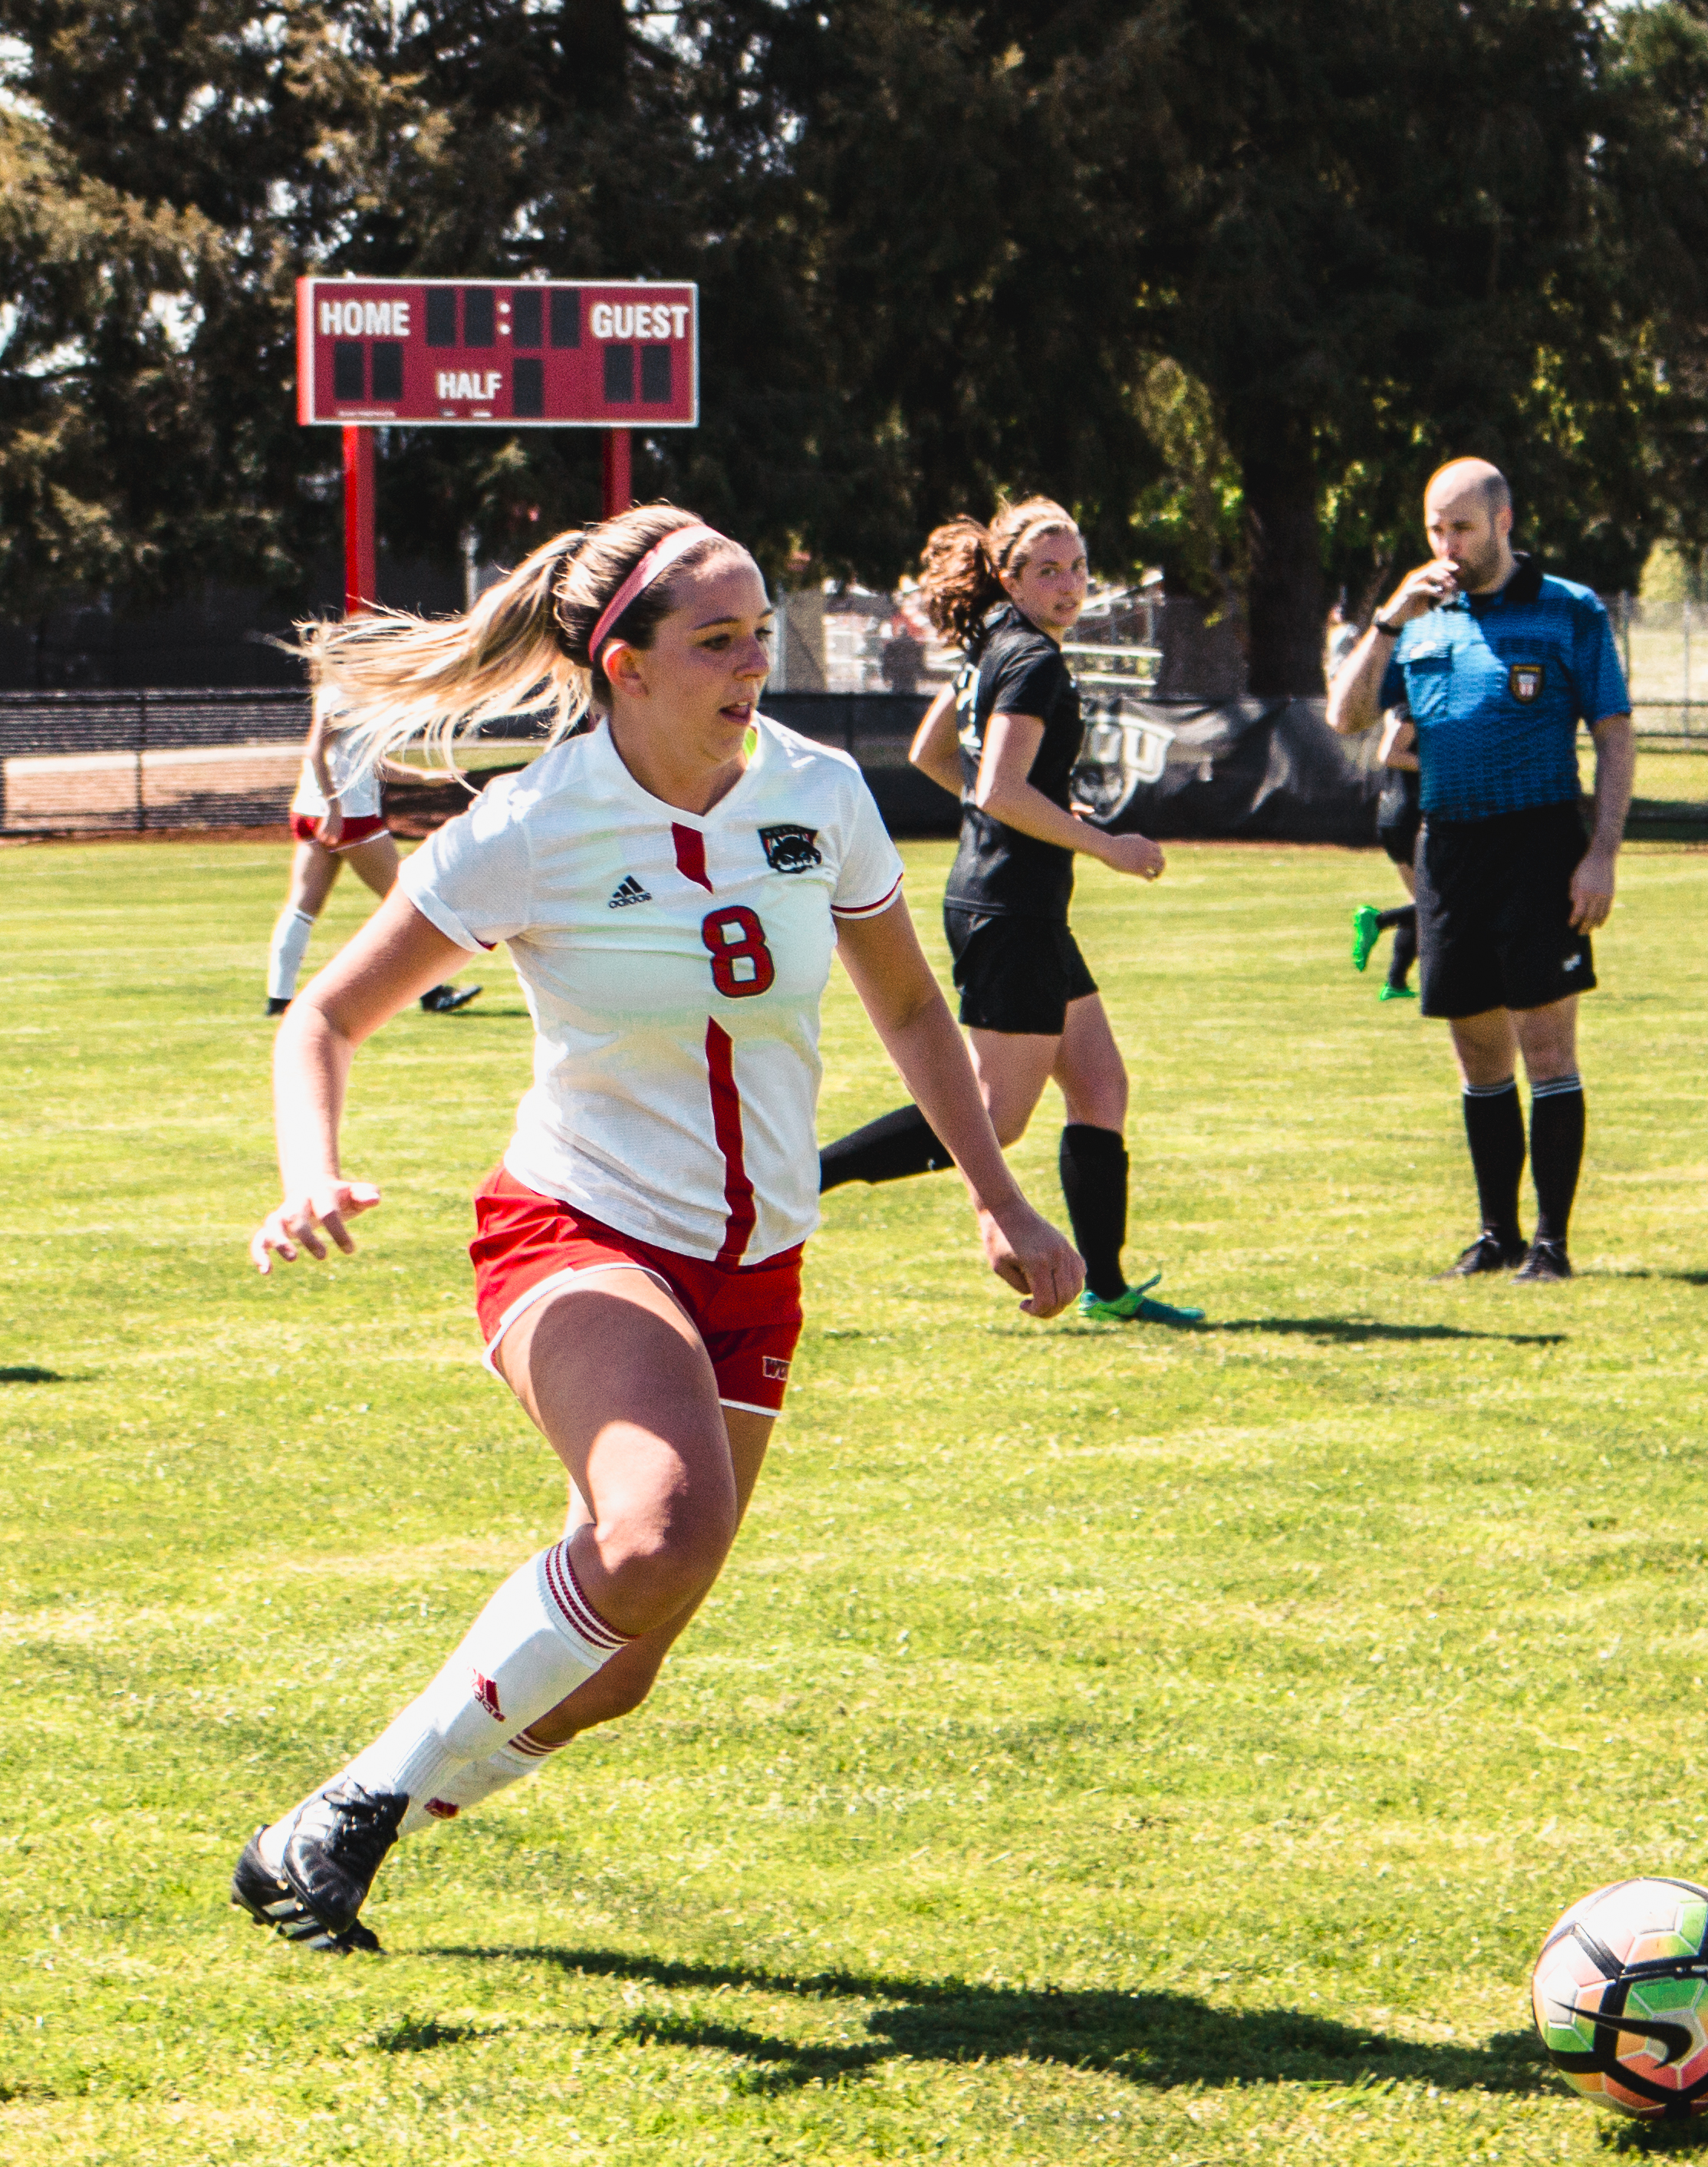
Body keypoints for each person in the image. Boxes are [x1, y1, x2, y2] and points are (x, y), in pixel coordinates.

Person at [231, 504, 1084, 1954]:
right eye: (715, 640)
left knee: (613, 1669)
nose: (753, 661)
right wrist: (307, 1170)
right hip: (574, 1230)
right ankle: (350, 1821)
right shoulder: (532, 825)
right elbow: (324, 1018)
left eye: (760, 631)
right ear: (621, 663)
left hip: (756, 1266)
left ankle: (329, 1824)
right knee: (656, 1524)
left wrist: (999, 1198)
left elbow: (906, 1005)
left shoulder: (818, 792)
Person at [811, 500, 1200, 1326]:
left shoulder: (996, 647)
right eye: (1047, 571)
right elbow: (998, 788)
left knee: (1100, 1084)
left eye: (1077, 567)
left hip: (1019, 907)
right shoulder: (1030, 661)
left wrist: (1026, 817)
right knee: (992, 1120)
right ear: (1011, 578)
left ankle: (1105, 1285)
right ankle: (800, 1181)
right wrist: (1106, 846)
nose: (1068, 586)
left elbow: (935, 755)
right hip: (1010, 912)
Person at [1325, 458, 1634, 1281]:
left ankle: (1552, 1242)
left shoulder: (1569, 610)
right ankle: (1494, 1234)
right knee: (1475, 1048)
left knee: (1547, 1043)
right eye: (1435, 527)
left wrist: (1600, 852)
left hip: (1539, 843)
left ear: (1503, 522)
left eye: (1461, 526)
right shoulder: (1420, 618)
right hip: (1449, 847)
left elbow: (1612, 733)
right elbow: (1347, 715)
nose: (1447, 545)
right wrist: (1389, 618)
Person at [262, 693, 482, 1018]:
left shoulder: (345, 687)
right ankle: (434, 994)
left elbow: (366, 762)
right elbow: (315, 751)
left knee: (302, 909)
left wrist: (421, 776)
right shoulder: (345, 689)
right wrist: (335, 809)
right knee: (412, 902)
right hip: (349, 814)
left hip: (310, 811)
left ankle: (279, 1001)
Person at [1348, 710, 1422, 1000]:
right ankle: (1378, 921)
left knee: (1420, 902)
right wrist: (1441, 765)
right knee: (1443, 901)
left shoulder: (1401, 704)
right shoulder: (1411, 705)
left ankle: (1396, 983)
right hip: (1410, 815)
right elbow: (1390, 753)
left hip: (1395, 812)